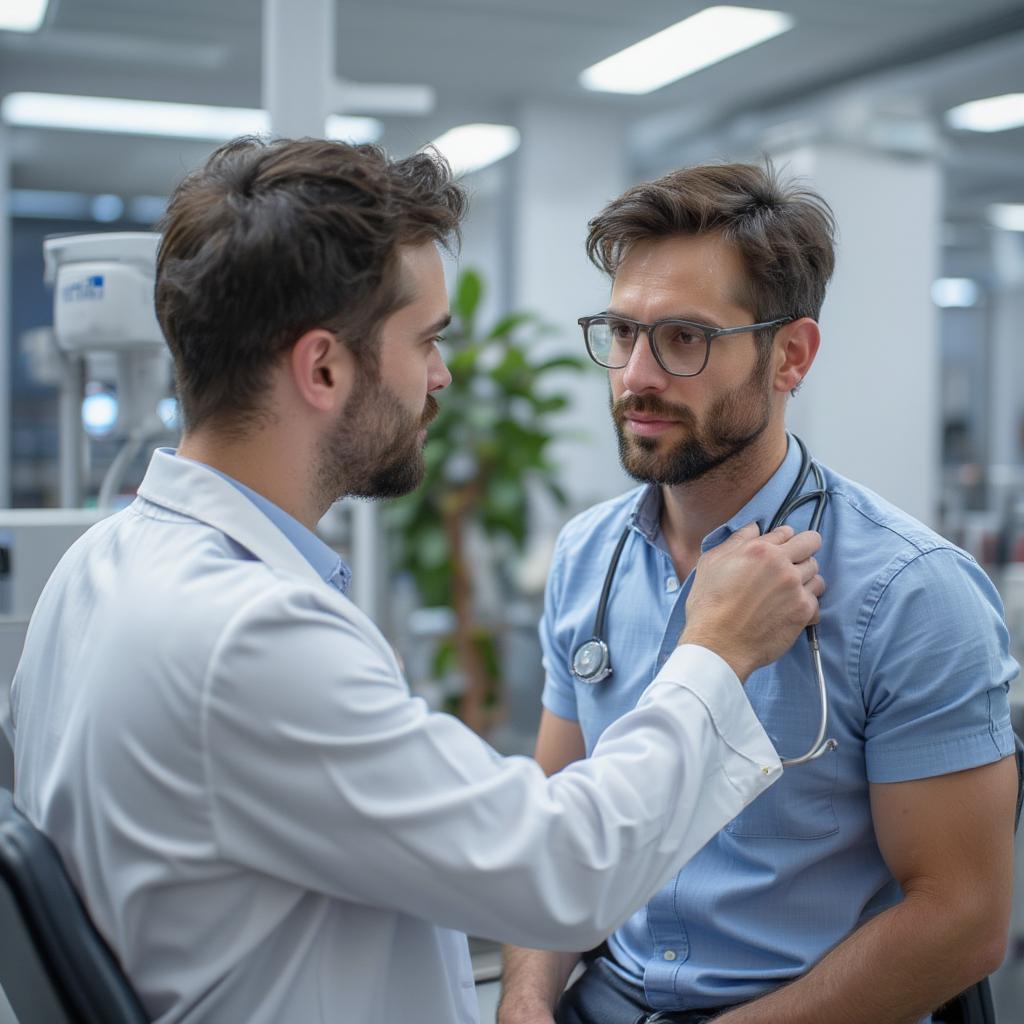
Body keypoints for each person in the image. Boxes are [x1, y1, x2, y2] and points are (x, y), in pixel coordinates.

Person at [3, 138, 825, 1024]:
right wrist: (713, 651)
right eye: (425, 341)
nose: (441, 375)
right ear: (323, 367)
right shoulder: (249, 635)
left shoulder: (94, 568)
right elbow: (563, 871)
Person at [499, 162, 1020, 1024]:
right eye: (622, 332)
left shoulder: (911, 593)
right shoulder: (587, 558)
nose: (635, 377)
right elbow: (558, 833)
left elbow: (960, 923)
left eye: (684, 338)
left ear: (791, 356)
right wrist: (525, 1001)